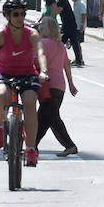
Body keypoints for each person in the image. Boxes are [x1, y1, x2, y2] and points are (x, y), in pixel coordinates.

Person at [0, 0, 49, 168]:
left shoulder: (32, 34)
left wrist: (44, 71)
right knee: (1, 93)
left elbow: (41, 54)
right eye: (16, 14)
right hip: (5, 74)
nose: (20, 17)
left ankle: (31, 149)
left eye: (23, 14)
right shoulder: (0, 35)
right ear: (7, 16)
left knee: (30, 102)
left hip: (27, 75)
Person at [35, 17, 78, 156]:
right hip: (60, 86)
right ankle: (69, 146)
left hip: (47, 85)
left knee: (44, 118)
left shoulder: (42, 43)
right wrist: (71, 84)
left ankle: (32, 146)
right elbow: (67, 65)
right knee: (51, 117)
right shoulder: (60, 45)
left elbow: (35, 61)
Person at [53, 0, 84, 66]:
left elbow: (58, 11)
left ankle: (78, 61)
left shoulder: (63, 1)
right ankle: (77, 60)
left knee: (72, 43)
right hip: (66, 25)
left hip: (70, 25)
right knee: (61, 42)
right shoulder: (60, 1)